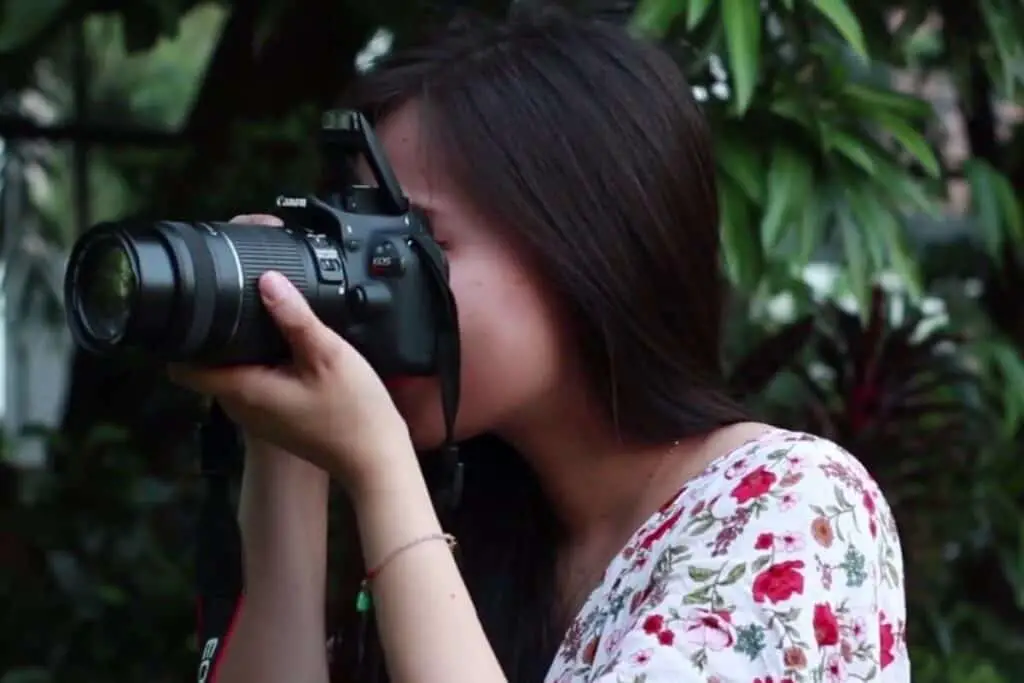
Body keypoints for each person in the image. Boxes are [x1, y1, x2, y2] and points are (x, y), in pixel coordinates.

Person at [170, 8, 910, 683]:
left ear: (583, 247)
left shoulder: (793, 506)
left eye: (415, 242)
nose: (374, 284)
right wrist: (287, 453)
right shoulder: (475, 533)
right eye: (360, 240)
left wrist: (378, 463)